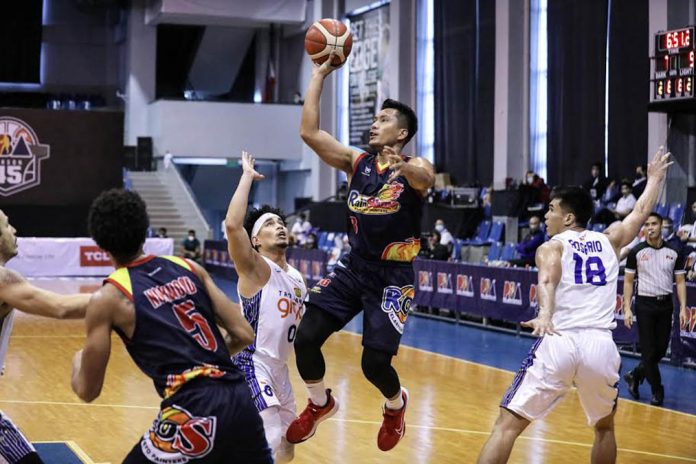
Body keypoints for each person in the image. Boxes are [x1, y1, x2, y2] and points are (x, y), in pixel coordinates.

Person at [477, 148, 672, 464]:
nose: (546, 215)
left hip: (561, 339)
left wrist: (544, 313)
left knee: (506, 427)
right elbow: (640, 211)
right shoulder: (610, 239)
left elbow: (547, 280)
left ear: (568, 217)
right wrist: (655, 178)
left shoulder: (552, 246)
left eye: (551, 209)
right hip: (601, 346)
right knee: (605, 428)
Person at [287, 50, 435, 451]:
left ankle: (395, 404)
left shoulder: (414, 166)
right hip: (354, 267)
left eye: (384, 119)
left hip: (393, 276)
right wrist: (318, 76)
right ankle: (319, 404)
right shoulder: (358, 163)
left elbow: (425, 176)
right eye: (375, 118)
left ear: (401, 133)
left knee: (373, 365)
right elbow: (310, 134)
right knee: (305, 338)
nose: (375, 123)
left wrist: (403, 167)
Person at [71, 189, 272, 463]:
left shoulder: (109, 297)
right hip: (239, 398)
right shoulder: (188, 266)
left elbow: (88, 391)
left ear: (100, 243)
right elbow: (243, 333)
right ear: (145, 230)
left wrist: (77, 361)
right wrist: (205, 360)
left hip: (193, 407)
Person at [224, 151, 307, 463]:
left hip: (280, 370)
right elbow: (233, 225)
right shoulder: (256, 269)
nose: (280, 227)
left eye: (281, 223)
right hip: (253, 362)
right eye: (270, 224)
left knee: (287, 445)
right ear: (256, 241)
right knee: (270, 435)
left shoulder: (297, 278)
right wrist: (247, 176)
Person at [0, 210, 90, 464]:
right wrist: (125, 296)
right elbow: (62, 307)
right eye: (7, 226)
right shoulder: (4, 279)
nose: (14, 231)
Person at [622, 212, 687, 406]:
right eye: (647, 224)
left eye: (654, 224)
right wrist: (627, 307)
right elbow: (627, 281)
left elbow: (681, 281)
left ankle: (635, 374)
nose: (650, 228)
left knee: (659, 350)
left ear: (662, 226)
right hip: (644, 304)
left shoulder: (675, 251)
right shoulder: (636, 252)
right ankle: (657, 390)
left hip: (666, 305)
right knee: (649, 353)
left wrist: (683, 307)